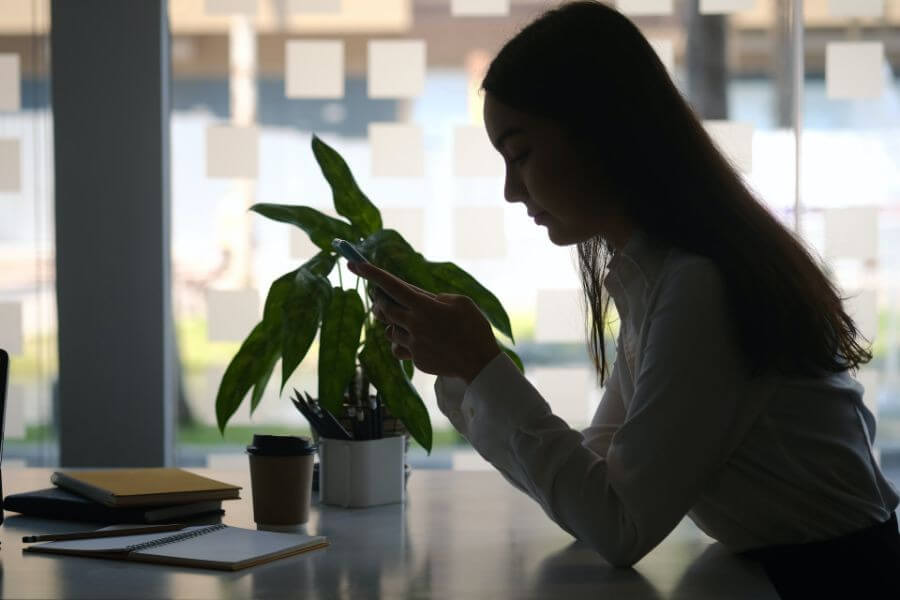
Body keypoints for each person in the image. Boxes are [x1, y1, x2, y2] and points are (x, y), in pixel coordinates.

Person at [347, 2, 900, 596]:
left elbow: (618, 526)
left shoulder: (699, 287)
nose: (511, 190)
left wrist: (480, 367)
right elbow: (596, 493)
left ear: (597, 131)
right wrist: (469, 368)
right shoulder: (664, 276)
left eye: (521, 153)